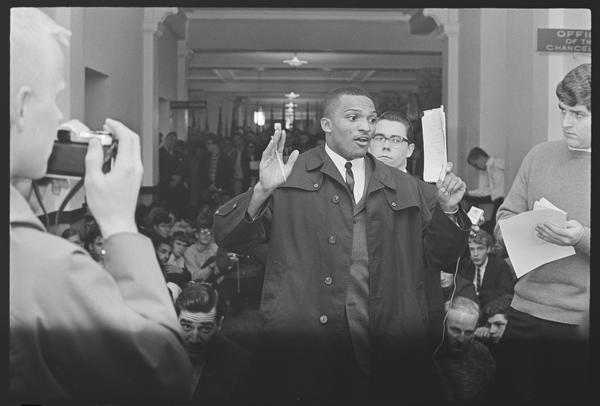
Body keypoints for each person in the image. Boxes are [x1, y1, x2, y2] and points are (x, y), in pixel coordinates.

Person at [213, 85, 472, 404]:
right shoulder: (290, 176)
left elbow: (440, 256)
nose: (366, 127)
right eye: (353, 118)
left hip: (381, 338)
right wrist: (261, 192)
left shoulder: (406, 187)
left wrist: (449, 210)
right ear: (326, 124)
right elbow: (230, 237)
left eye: (371, 119)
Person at [9, 8, 191, 403]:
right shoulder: (47, 267)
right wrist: (120, 223)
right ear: (21, 108)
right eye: (55, 97)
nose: (60, 115)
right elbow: (164, 372)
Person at [495, 63, 590, 405]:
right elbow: (504, 218)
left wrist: (580, 237)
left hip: (581, 322)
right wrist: (525, 229)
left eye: (578, 114)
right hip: (526, 311)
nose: (566, 123)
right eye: (563, 111)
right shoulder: (539, 156)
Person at [175, 282, 252, 405]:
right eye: (187, 326)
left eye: (205, 328)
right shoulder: (157, 353)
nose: (194, 339)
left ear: (220, 324)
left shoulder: (238, 363)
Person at [434, 297, 496, 404]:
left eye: (468, 333)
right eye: (455, 330)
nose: (461, 339)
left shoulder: (482, 354)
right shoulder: (429, 355)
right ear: (442, 325)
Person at [457, 229, 515, 310]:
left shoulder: (500, 266)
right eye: (472, 249)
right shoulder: (465, 265)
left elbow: (505, 292)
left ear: (488, 249)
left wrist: (478, 295)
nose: (475, 254)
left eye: (480, 249)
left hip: (491, 308)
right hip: (467, 307)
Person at [464, 146, 505, 233]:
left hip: (504, 200)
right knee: (493, 227)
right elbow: (489, 190)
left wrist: (469, 193)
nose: (476, 168)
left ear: (481, 158)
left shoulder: (497, 163)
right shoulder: (490, 168)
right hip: (498, 200)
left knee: (495, 228)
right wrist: (469, 193)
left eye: (475, 164)